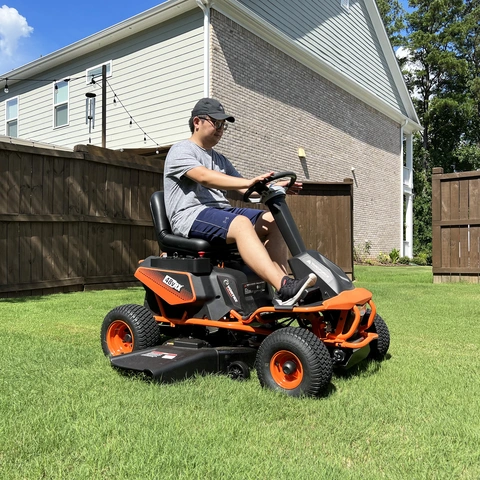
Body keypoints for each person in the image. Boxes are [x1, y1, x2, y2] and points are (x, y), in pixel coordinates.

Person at [163, 98, 316, 306]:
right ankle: (284, 286)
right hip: (189, 216)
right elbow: (204, 176)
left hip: (219, 213)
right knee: (241, 224)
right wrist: (248, 181)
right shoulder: (181, 150)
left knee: (273, 219)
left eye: (223, 125)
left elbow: (248, 190)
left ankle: (283, 287)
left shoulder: (221, 159)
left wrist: (277, 186)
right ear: (197, 121)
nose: (220, 129)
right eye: (216, 123)